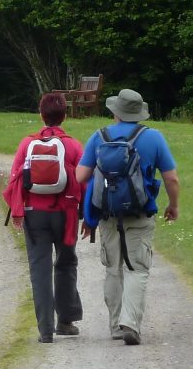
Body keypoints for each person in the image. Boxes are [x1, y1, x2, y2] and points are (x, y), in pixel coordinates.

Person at [74, 87, 181, 346]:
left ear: (116, 113)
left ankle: (115, 327)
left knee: (113, 269)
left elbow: (80, 176)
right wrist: (173, 205)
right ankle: (130, 323)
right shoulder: (153, 138)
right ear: (139, 113)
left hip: (109, 215)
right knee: (137, 268)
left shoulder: (99, 136)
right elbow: (171, 178)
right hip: (140, 214)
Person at [2, 92, 84, 343]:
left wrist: (17, 211)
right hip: (66, 214)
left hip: (34, 214)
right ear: (65, 116)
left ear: (41, 114)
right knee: (66, 263)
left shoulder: (27, 144)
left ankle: (45, 331)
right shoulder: (73, 145)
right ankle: (66, 322)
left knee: (40, 269)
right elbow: (84, 180)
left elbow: (15, 177)